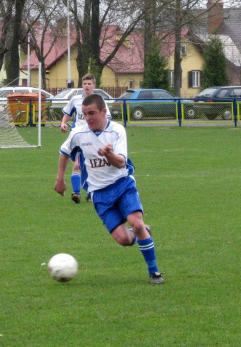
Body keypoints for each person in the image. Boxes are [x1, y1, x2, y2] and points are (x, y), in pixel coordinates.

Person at [55, 94, 164, 285]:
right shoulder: (78, 134)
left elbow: (121, 163)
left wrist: (109, 154)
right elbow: (64, 153)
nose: (88, 117)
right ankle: (143, 233)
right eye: (85, 114)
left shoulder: (116, 131)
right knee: (124, 239)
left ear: (104, 112)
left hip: (122, 185)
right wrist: (60, 180)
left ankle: (154, 272)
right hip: (99, 194)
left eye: (92, 113)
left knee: (136, 223)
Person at [60, 74, 111, 204]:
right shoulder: (75, 100)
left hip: (93, 137)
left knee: (91, 165)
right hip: (77, 137)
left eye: (89, 84)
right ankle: (76, 193)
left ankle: (90, 193)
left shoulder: (100, 101)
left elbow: (107, 117)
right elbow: (67, 113)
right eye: (85, 84)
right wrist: (63, 123)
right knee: (76, 164)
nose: (87, 86)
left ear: (94, 85)